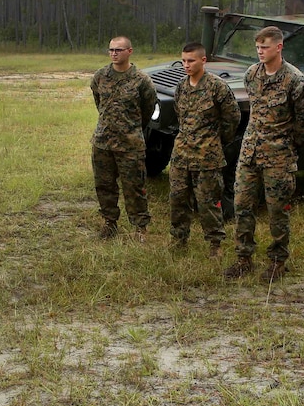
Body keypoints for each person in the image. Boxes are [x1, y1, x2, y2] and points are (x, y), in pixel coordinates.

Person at [224, 26, 304, 281]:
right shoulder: (252, 74)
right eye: (257, 47)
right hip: (250, 153)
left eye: (265, 47)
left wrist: (288, 146)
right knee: (242, 205)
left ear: (279, 47)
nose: (260, 52)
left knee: (277, 210)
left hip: (279, 156)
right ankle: (243, 258)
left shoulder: (294, 80)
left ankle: (277, 261)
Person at [168, 42, 241, 257]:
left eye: (191, 60)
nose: (186, 65)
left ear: (203, 60)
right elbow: (179, 114)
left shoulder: (217, 87)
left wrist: (216, 140)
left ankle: (214, 244)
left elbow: (232, 117)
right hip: (181, 155)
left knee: (208, 202)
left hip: (207, 157)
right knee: (178, 199)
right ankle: (179, 240)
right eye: (183, 61)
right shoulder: (181, 87)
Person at [89, 36, 157, 241]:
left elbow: (148, 109)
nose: (114, 53)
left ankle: (139, 227)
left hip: (130, 144)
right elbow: (99, 102)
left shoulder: (141, 80)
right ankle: (110, 222)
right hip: (103, 141)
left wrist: (131, 128)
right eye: (111, 50)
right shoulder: (100, 76)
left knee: (134, 186)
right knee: (104, 184)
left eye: (118, 50)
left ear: (129, 51)